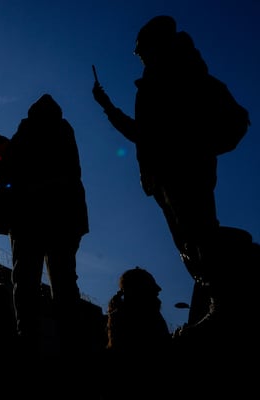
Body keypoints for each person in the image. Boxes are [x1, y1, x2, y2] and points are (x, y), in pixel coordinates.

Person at [92, 15, 236, 335]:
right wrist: (107, 106)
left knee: (200, 239)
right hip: (167, 178)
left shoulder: (180, 76)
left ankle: (223, 307)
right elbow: (142, 135)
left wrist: (191, 149)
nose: (139, 56)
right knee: (192, 244)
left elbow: (233, 121)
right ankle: (217, 305)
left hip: (183, 172)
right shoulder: (160, 81)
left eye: (141, 50)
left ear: (155, 46)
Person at [0, 93, 90, 357]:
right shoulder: (61, 131)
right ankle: (69, 345)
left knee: (27, 283)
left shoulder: (32, 132)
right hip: (59, 217)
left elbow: (11, 157)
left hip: (30, 218)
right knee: (61, 282)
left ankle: (30, 342)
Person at [101, 266, 172, 400]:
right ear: (139, 290)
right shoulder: (145, 320)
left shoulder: (124, 319)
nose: (158, 289)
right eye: (152, 285)